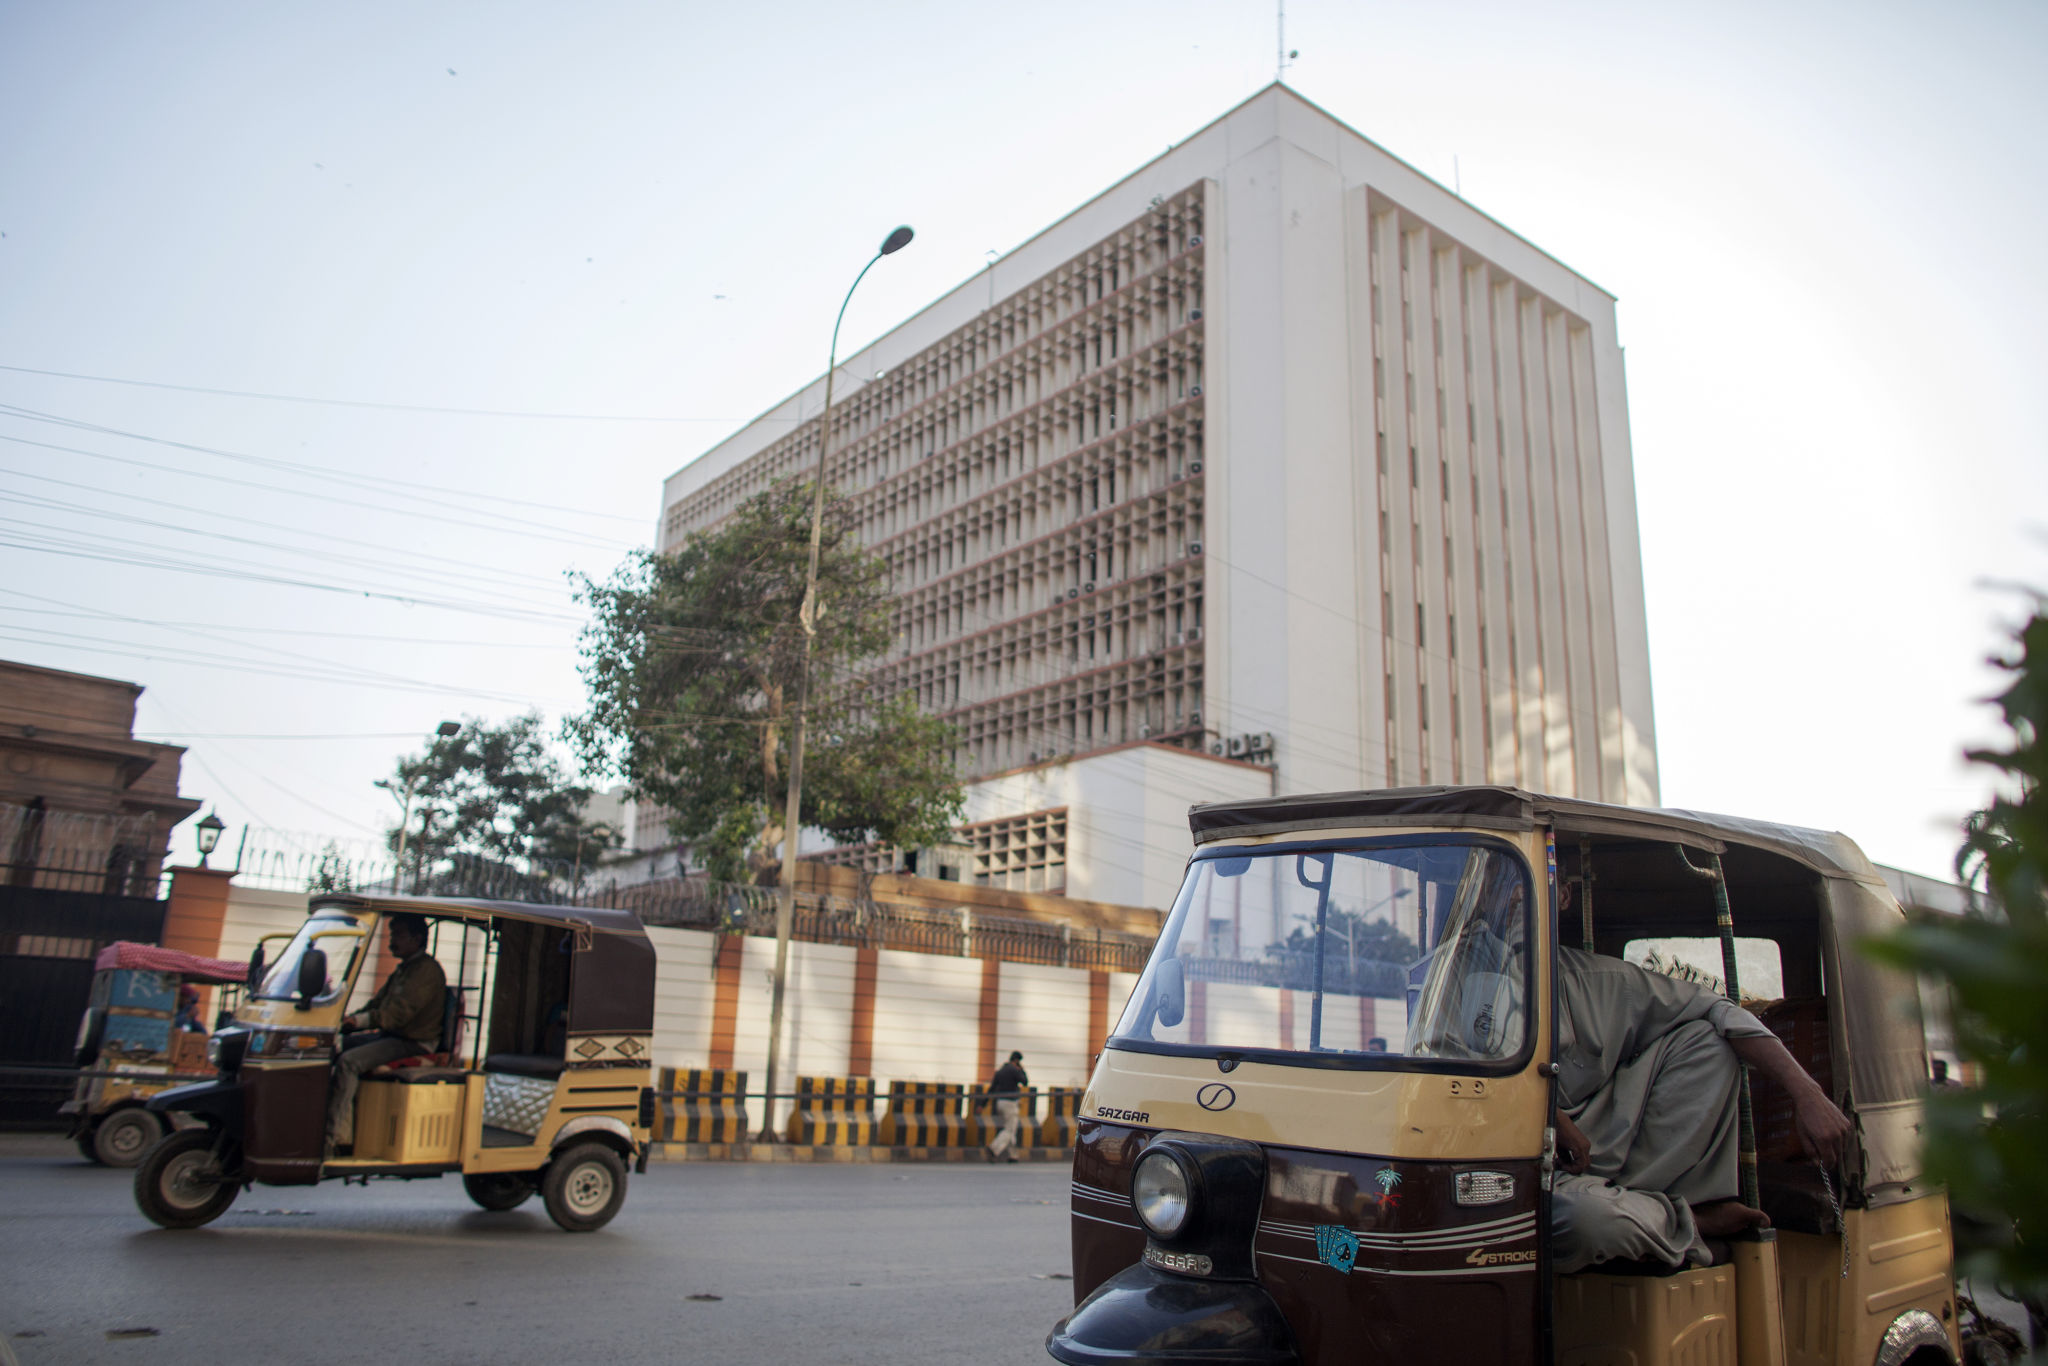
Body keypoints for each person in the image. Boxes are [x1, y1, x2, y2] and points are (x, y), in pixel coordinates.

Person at [1550, 946, 1852, 1274]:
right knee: (1585, 1221)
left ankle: (1653, 1206)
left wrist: (1807, 1094)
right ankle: (1688, 1221)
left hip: (1600, 1150)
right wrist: (1550, 1115)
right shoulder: (1487, 982)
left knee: (1709, 1040)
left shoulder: (1592, 979)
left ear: (1563, 897)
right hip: (1533, 1177)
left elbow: (1718, 1010)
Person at [325, 913, 446, 1155]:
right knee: (336, 1047)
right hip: (394, 1035)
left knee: (349, 1062)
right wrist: (345, 1020)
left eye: (398, 935)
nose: (393, 941)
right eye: (392, 935)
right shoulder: (405, 969)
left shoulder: (426, 972)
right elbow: (377, 1004)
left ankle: (334, 1138)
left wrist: (358, 1021)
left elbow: (397, 1015)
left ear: (417, 938)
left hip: (414, 1042)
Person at [984, 1050, 1028, 1163]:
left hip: (1000, 1102)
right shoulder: (1014, 1070)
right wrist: (1022, 1070)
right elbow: (1025, 1081)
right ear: (1017, 1061)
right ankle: (994, 1148)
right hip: (1010, 1103)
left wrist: (982, 1104)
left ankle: (1013, 1156)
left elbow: (992, 1088)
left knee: (1011, 1129)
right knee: (1009, 1129)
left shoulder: (1000, 1071)